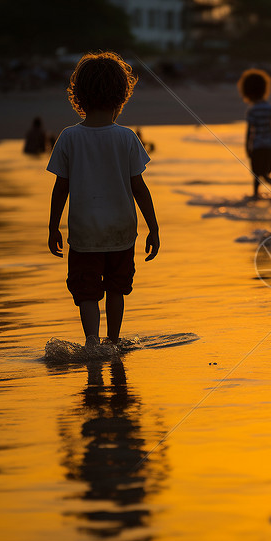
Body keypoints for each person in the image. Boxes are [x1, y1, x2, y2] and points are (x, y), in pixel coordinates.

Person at [47, 52, 159, 349]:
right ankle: (114, 340)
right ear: (122, 95)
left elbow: (61, 188)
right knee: (116, 289)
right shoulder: (126, 138)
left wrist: (52, 227)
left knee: (87, 292)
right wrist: (154, 228)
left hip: (84, 232)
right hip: (121, 231)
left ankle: (92, 343)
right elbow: (140, 188)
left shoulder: (69, 137)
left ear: (79, 96)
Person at [237, 68, 271, 201]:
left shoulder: (252, 110)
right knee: (264, 172)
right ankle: (259, 193)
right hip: (268, 146)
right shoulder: (270, 107)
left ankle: (264, 190)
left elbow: (249, 132)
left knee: (257, 173)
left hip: (257, 146)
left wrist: (247, 147)